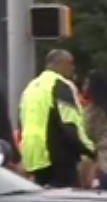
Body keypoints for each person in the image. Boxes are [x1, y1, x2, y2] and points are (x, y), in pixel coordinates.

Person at [19, 50, 95, 188]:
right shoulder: (60, 86)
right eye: (71, 64)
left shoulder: (30, 88)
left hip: (34, 156)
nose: (73, 68)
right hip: (57, 155)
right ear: (61, 64)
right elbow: (69, 124)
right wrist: (90, 149)